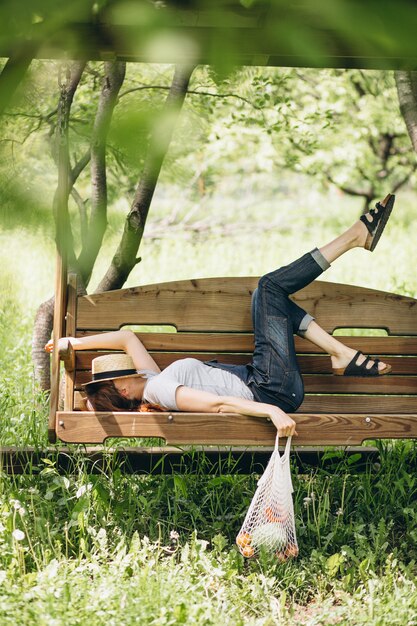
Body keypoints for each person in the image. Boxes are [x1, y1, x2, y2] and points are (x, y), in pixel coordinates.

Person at [45, 194, 395, 438]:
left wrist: (73, 341)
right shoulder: (162, 390)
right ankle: (352, 237)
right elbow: (219, 404)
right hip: (270, 392)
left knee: (269, 299)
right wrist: (271, 412)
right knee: (270, 288)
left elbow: (127, 337)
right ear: (123, 387)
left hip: (264, 380)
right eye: (124, 370)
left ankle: (340, 353)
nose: (131, 364)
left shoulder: (153, 379)